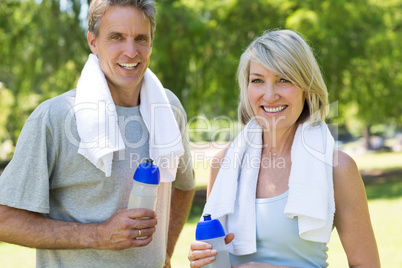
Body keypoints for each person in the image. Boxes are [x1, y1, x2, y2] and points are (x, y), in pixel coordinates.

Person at [0, 0, 195, 267]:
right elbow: (4, 219)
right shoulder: (54, 117)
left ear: (151, 43)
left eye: (141, 38)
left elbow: (183, 187)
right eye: (117, 37)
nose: (131, 51)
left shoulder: (168, 109)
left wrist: (167, 254)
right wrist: (98, 235)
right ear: (93, 42)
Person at [188, 30, 380, 268]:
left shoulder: (337, 168)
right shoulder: (223, 164)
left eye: (284, 79)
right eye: (257, 80)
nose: (269, 95)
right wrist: (204, 259)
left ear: (307, 87)